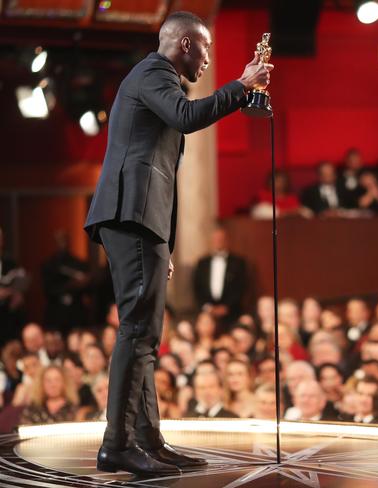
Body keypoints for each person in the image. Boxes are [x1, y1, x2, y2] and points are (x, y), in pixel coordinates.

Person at [83, 10, 272, 475]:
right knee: (137, 331)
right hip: (129, 215)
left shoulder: (159, 81)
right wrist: (242, 85)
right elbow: (186, 118)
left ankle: (147, 440)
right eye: (206, 49)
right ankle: (118, 443)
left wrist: (164, 243)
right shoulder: (153, 72)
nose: (208, 58)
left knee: (145, 333)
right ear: (185, 44)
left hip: (139, 221)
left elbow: (160, 169)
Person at [193, 225, 248, 326]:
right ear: (211, 241)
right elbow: (197, 287)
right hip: (207, 313)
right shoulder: (202, 263)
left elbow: (241, 287)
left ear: (227, 240)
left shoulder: (238, 262)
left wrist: (226, 307)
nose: (218, 241)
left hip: (232, 313)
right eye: (216, 239)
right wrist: (208, 307)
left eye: (221, 239)